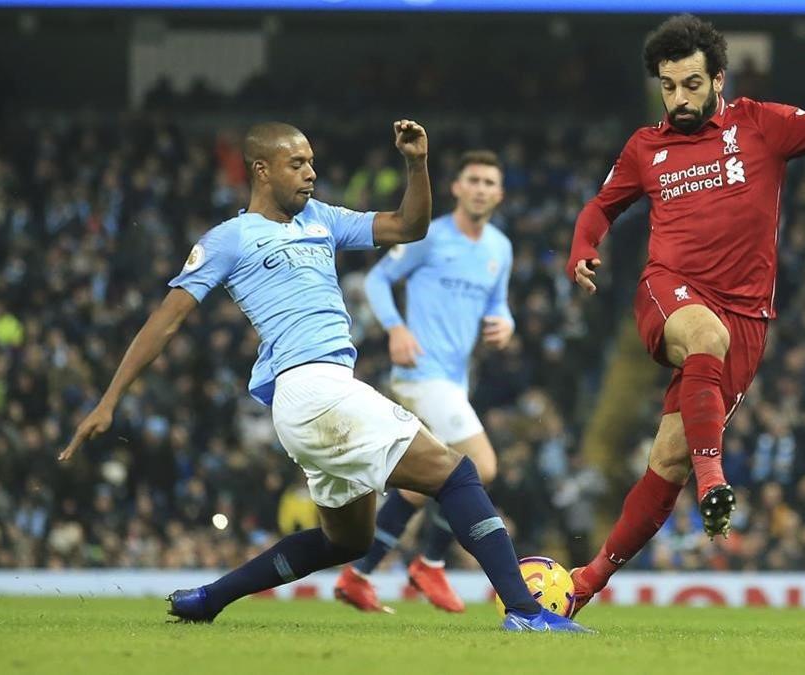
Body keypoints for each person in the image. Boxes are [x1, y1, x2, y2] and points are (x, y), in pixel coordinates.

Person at [59, 121, 588, 633]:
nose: (311, 172)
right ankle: (524, 610)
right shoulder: (230, 239)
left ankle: (209, 599)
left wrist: (417, 165)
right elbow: (165, 321)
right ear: (261, 170)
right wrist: (109, 400)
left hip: (314, 399)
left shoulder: (322, 219)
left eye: (311, 161)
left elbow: (409, 226)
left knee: (346, 541)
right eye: (297, 163)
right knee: (457, 474)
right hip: (315, 390)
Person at [564, 14, 805, 615]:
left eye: (689, 84)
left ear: (718, 80)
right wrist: (582, 250)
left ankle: (586, 583)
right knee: (703, 337)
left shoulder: (764, 125)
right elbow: (598, 211)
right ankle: (716, 475)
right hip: (670, 292)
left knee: (666, 463)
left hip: (748, 322)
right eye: (667, 85)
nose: (678, 98)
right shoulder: (645, 147)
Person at [335, 150, 513, 613]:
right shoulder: (430, 235)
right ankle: (430, 563)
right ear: (456, 187)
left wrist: (505, 322)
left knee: (425, 480)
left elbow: (498, 303)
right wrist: (396, 327)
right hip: (421, 373)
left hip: (457, 379)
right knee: (482, 465)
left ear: (500, 193)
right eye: (472, 179)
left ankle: (359, 574)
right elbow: (377, 281)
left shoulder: (499, 248)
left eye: (489, 182)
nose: (480, 188)